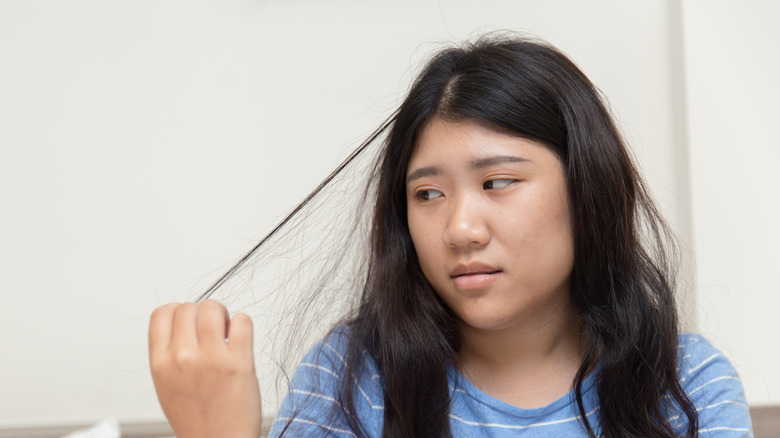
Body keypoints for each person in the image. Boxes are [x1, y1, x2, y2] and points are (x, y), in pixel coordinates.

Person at [148, 35, 753, 437]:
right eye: (427, 195)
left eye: (497, 182)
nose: (459, 230)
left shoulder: (685, 383)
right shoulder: (353, 378)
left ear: (587, 189)